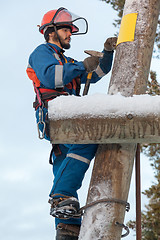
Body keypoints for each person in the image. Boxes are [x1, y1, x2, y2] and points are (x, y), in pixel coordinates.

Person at [26, 7, 117, 240]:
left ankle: (67, 228)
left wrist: (107, 54)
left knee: (65, 167)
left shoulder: (67, 61)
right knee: (90, 139)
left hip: (66, 116)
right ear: (51, 31)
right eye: (66, 29)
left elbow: (95, 73)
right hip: (55, 112)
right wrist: (80, 66)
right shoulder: (42, 52)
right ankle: (61, 195)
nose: (70, 35)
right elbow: (50, 77)